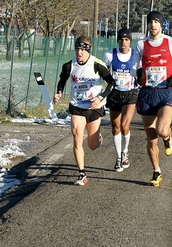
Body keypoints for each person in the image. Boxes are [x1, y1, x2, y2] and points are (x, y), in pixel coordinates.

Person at [131, 11, 172, 187]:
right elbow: (134, 67)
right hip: (147, 93)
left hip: (164, 91)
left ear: (161, 25)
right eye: (150, 22)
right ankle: (157, 172)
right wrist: (138, 72)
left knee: (162, 130)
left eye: (156, 22)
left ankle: (168, 137)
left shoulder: (171, 42)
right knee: (151, 138)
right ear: (147, 25)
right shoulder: (141, 44)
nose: (153, 25)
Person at [53, 36, 115, 186]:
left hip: (94, 107)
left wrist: (100, 98)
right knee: (76, 138)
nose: (79, 52)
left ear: (88, 51)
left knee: (92, 146)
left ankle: (97, 137)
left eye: (82, 50)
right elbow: (62, 80)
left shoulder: (97, 64)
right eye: (77, 49)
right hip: (77, 106)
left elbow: (112, 83)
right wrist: (59, 92)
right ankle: (82, 173)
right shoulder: (69, 65)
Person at [102, 28, 138, 172]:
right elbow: (103, 74)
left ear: (130, 41)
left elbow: (140, 72)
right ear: (118, 41)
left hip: (130, 94)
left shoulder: (135, 55)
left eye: (127, 40)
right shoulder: (109, 55)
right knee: (115, 127)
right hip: (114, 94)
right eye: (121, 40)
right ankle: (118, 157)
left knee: (124, 125)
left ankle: (125, 151)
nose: (124, 42)